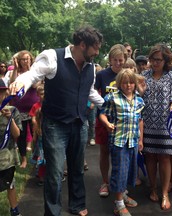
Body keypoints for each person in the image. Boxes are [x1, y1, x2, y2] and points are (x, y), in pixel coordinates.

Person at [9, 26, 104, 216]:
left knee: (77, 168)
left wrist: (108, 104)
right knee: (54, 173)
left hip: (79, 124)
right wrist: (21, 82)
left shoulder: (91, 67)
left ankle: (77, 205)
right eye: (95, 48)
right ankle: (52, 213)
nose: (97, 52)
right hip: (55, 125)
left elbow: (90, 91)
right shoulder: (53, 57)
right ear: (82, 45)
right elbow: (33, 74)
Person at [140, 43, 172, 210]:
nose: (155, 62)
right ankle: (153, 188)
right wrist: (140, 91)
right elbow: (136, 96)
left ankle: (165, 193)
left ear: (166, 60)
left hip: (166, 124)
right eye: (153, 59)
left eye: (159, 59)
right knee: (149, 156)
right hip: (147, 122)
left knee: (165, 157)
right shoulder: (143, 75)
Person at [99, 68, 145, 216]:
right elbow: (102, 114)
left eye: (131, 82)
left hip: (133, 140)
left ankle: (123, 194)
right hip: (119, 141)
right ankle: (118, 203)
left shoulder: (139, 100)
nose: (128, 85)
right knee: (119, 171)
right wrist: (107, 124)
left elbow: (140, 120)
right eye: (125, 83)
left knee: (130, 170)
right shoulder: (112, 98)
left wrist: (140, 139)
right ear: (119, 83)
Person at [95, 44, 128, 198]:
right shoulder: (102, 75)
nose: (118, 63)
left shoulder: (127, 75)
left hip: (122, 121)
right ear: (110, 60)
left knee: (120, 154)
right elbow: (94, 94)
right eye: (115, 60)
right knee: (104, 151)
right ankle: (105, 182)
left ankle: (119, 184)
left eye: (121, 60)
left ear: (125, 60)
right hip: (104, 119)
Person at [8, 50, 40, 168]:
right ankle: (24, 159)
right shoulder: (14, 72)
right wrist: (16, 69)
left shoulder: (35, 72)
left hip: (33, 109)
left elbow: (35, 85)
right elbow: (12, 83)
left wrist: (30, 69)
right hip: (19, 109)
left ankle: (37, 156)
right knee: (21, 135)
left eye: (28, 59)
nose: (26, 61)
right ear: (19, 61)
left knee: (36, 132)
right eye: (23, 59)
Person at [0, 78, 22, 216]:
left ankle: (14, 210)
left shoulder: (12, 110)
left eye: (1, 92)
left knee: (10, 184)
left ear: (6, 93)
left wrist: (10, 119)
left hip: (7, 157)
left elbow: (17, 134)